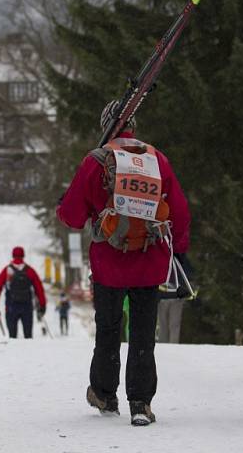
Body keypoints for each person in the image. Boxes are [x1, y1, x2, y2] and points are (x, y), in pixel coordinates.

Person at [56, 100, 191, 426]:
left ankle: (104, 393)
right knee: (144, 333)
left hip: (109, 265)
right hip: (150, 260)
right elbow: (180, 212)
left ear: (107, 126)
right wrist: (178, 251)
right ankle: (141, 403)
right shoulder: (156, 160)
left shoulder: (96, 161)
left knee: (109, 329)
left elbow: (72, 216)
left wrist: (67, 208)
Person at [0, 246, 47, 339]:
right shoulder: (30, 270)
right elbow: (39, 289)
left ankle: (12, 353)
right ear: (23, 255)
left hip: (11, 307)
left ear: (13, 255)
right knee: (28, 336)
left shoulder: (7, 270)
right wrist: (42, 305)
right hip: (27, 307)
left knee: (12, 337)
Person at [157, 254, 196, 344]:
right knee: (166, 324)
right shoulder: (164, 256)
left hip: (175, 296)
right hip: (165, 295)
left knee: (172, 324)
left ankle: (172, 347)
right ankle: (165, 346)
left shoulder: (179, 257)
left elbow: (189, 274)